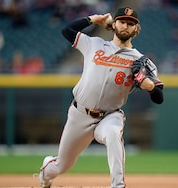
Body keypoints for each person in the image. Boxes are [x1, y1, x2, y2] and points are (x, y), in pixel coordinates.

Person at [37, 7, 164, 188]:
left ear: (136, 29)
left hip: (110, 115)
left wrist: (149, 85)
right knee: (61, 166)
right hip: (79, 114)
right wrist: (94, 19)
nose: (126, 26)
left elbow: (158, 98)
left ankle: (117, 185)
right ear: (114, 24)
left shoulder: (142, 61)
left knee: (113, 134)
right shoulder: (94, 44)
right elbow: (67, 31)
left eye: (131, 24)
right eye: (122, 22)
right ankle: (46, 173)